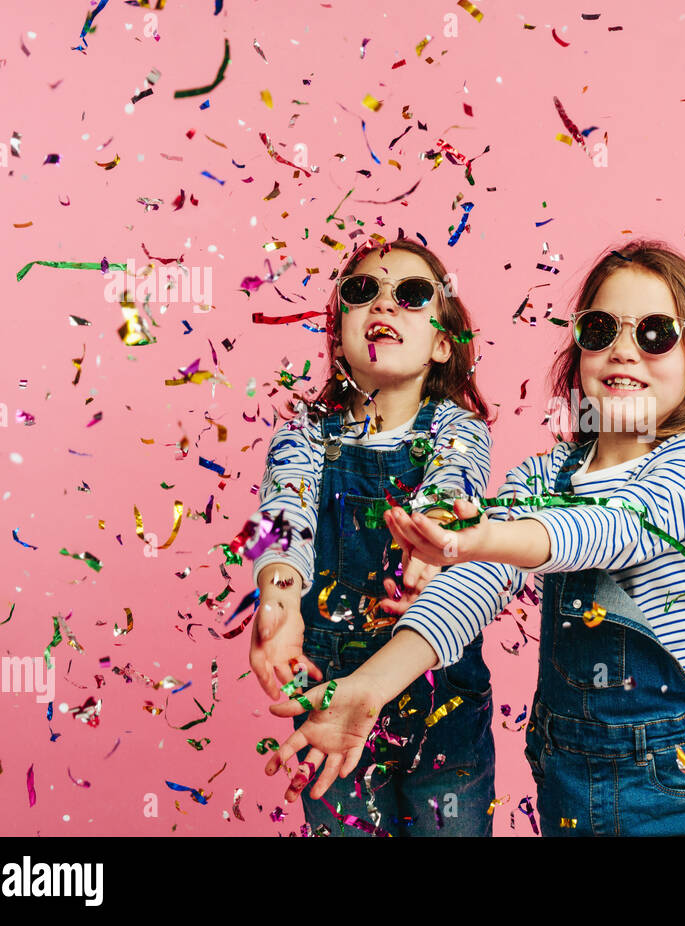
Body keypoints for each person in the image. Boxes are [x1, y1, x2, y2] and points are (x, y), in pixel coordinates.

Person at [269, 239, 685, 836]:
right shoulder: (545, 477)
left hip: (675, 784)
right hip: (569, 777)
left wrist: (486, 535)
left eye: (655, 334)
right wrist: (369, 688)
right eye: (601, 330)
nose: (623, 349)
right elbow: (471, 587)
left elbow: (610, 529)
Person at [250, 236, 496, 836]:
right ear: (339, 335)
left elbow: (451, 488)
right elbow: (286, 513)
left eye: (411, 295)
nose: (383, 306)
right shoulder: (305, 434)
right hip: (331, 698)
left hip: (444, 699)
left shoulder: (457, 430)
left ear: (443, 343)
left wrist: (429, 550)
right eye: (363, 292)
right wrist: (279, 602)